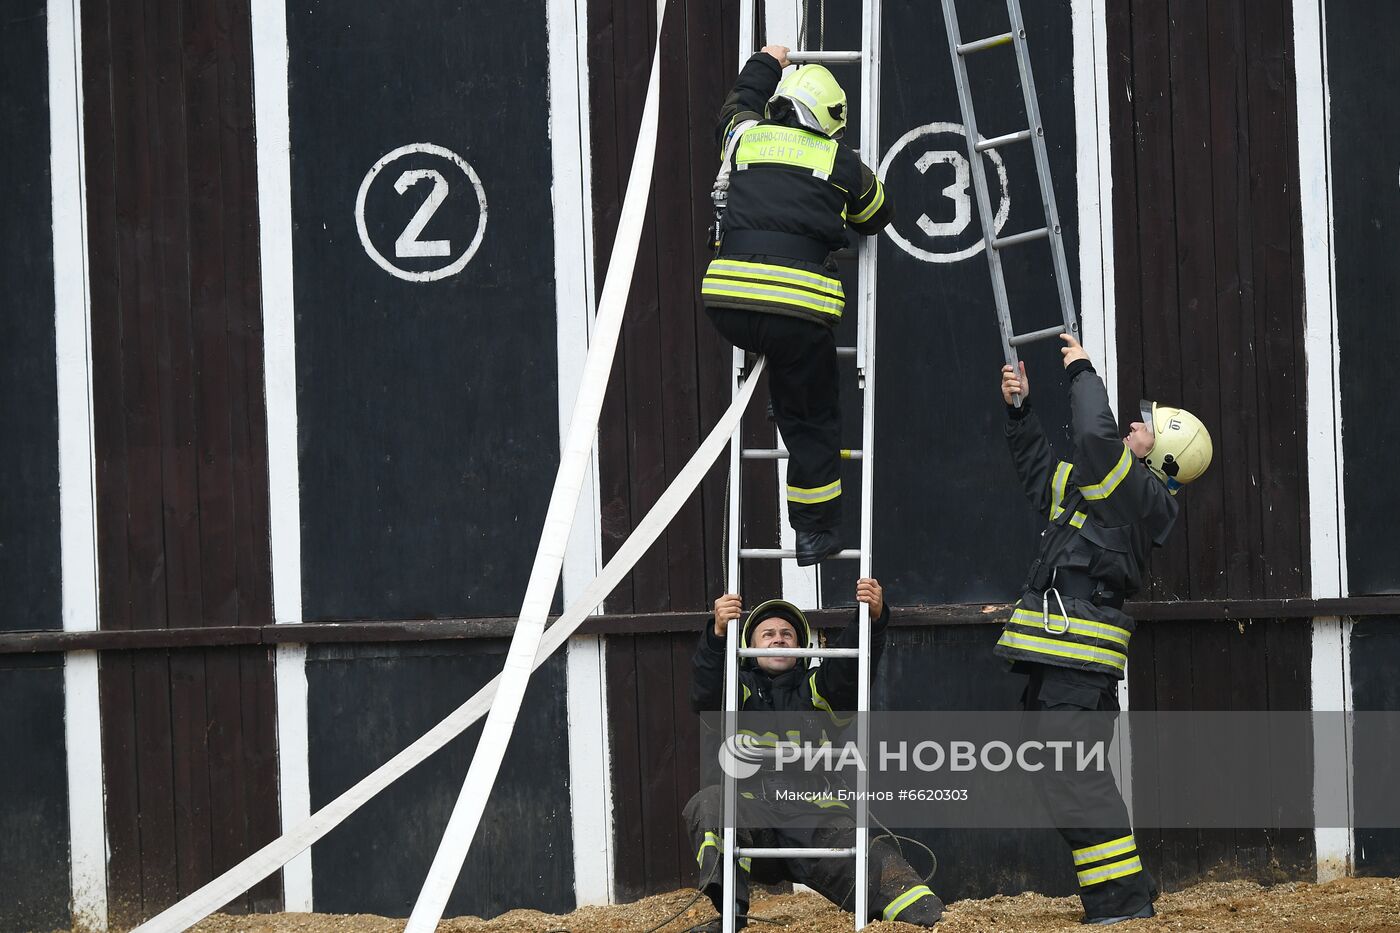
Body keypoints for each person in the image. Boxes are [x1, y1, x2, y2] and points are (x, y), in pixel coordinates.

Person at [995, 334, 1213, 924]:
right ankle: (1121, 892)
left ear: (1160, 453)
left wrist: (1083, 371)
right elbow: (1043, 479)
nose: (1133, 426)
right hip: (1060, 651)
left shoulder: (1141, 497)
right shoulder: (1108, 492)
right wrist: (1020, 412)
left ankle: (1122, 900)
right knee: (1056, 768)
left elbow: (1093, 434)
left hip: (1077, 653)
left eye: (1145, 426)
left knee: (1068, 769)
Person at [701, 44, 894, 566]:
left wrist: (768, 59)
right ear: (828, 118)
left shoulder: (742, 136)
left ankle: (780, 390)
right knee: (810, 422)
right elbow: (877, 215)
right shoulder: (838, 160)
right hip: (797, 316)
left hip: (729, 304)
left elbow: (738, 101)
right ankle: (814, 534)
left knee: (784, 363)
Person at [682, 579, 943, 930]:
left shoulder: (818, 687)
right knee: (710, 803)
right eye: (768, 634)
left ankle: (930, 919)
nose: (778, 639)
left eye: (787, 634)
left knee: (877, 858)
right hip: (753, 814)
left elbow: (850, 673)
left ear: (801, 645)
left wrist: (872, 618)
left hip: (815, 817)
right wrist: (716, 635)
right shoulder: (736, 689)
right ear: (749, 647)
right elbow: (706, 692)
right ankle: (730, 916)